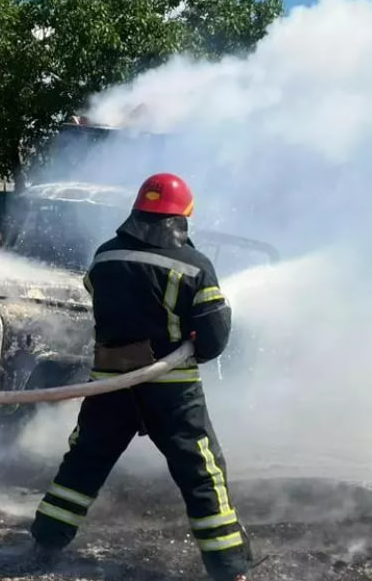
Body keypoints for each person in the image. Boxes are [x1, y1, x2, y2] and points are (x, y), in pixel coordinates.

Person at [28, 173, 252, 581]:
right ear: (182, 218)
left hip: (110, 384)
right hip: (171, 391)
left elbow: (105, 302)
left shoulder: (104, 256)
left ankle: (45, 544)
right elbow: (213, 340)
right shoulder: (195, 266)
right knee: (201, 472)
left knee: (84, 462)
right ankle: (229, 567)